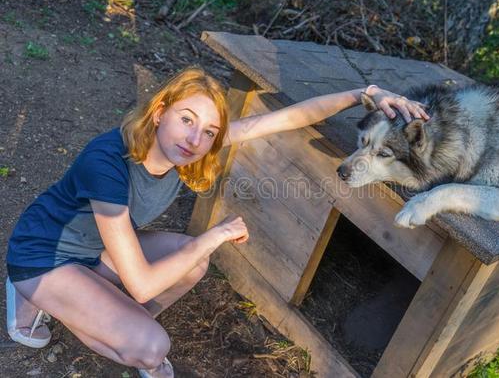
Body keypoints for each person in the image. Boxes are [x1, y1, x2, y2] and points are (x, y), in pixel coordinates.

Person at [5, 66, 428, 377]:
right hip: (44, 256)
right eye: (187, 119)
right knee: (153, 346)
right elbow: (142, 285)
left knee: (190, 264)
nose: (195, 140)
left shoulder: (191, 148)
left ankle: (104, 315)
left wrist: (365, 92)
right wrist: (216, 235)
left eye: (208, 131)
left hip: (92, 250)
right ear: (160, 113)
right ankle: (39, 298)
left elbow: (286, 118)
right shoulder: (108, 164)